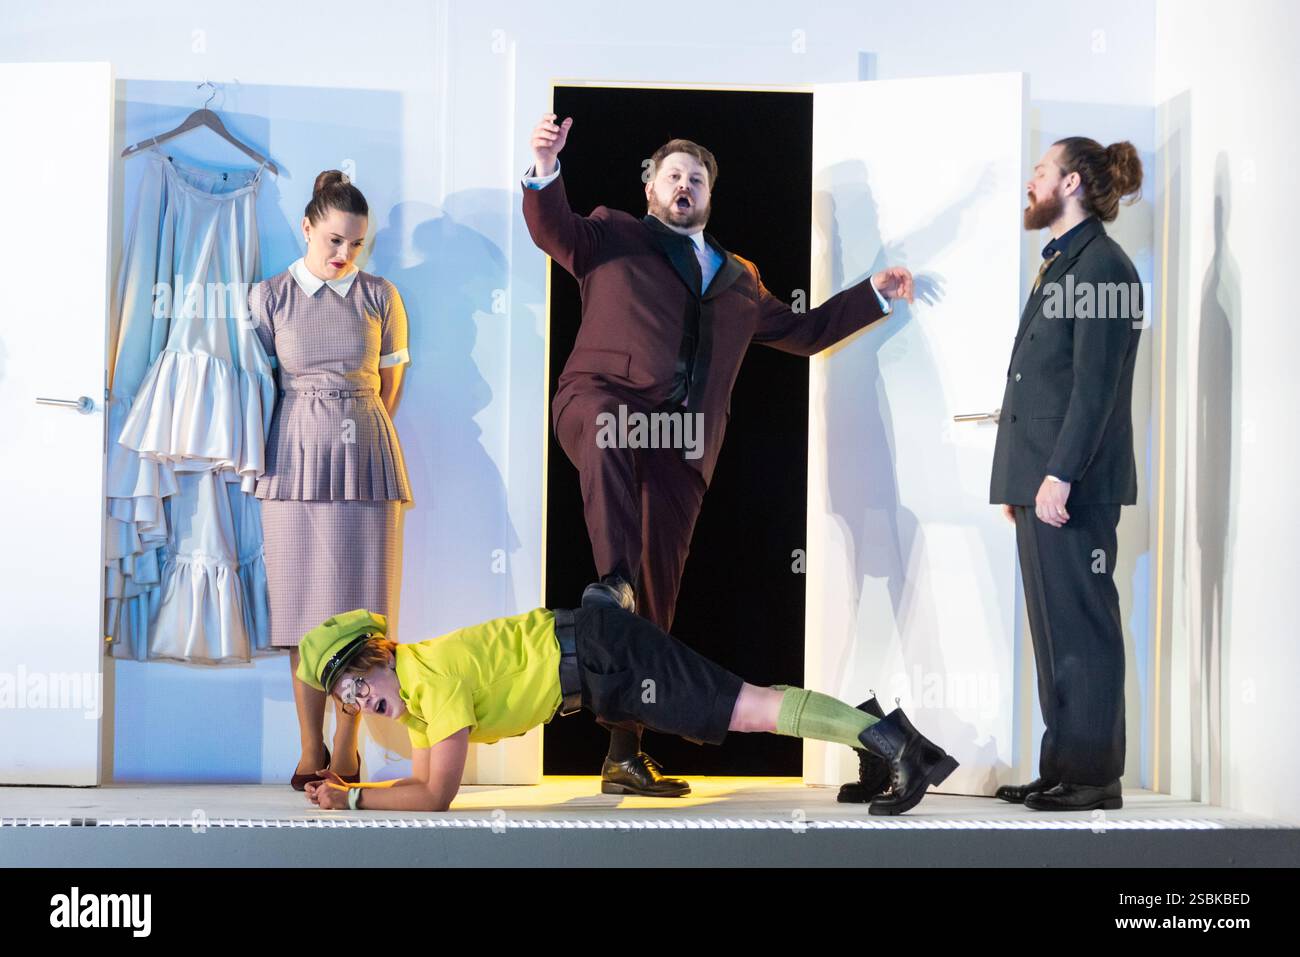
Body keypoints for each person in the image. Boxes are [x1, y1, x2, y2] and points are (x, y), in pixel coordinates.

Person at [521, 112, 915, 797]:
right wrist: (545, 168)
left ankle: (622, 749)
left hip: (682, 449)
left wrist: (874, 295)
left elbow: (806, 329)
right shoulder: (611, 233)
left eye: (696, 178)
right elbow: (552, 228)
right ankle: (607, 581)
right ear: (650, 190)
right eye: (672, 174)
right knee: (615, 453)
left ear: (708, 196)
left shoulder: (739, 277)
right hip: (601, 401)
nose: (684, 184)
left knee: (657, 596)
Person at [298, 606, 957, 815]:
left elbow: (434, 795)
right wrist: (352, 788)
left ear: (380, 653)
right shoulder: (415, 696)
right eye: (347, 696)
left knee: (748, 708)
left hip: (604, 655)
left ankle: (896, 746)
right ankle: (885, 745)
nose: (361, 698)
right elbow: (418, 787)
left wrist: (352, 798)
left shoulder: (430, 678)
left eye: (359, 679)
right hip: (598, 665)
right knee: (747, 702)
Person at [989, 137, 1144, 811]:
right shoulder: (1063, 263)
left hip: (1072, 484)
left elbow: (1095, 387)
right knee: (1055, 632)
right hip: (1044, 484)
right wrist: (1024, 478)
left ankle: (1093, 775)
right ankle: (1063, 766)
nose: (1032, 181)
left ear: (1073, 182)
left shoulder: (1103, 267)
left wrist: (1058, 473)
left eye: (1042, 171)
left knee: (1085, 629)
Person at [247, 170, 413, 790]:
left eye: (356, 245)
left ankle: (348, 747)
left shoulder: (381, 296)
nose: (344, 255)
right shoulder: (268, 297)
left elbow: (390, 384)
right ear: (308, 226)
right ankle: (308, 747)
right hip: (292, 460)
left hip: (365, 457)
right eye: (335, 240)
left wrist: (358, 426)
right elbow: (252, 386)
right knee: (300, 612)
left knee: (362, 614)